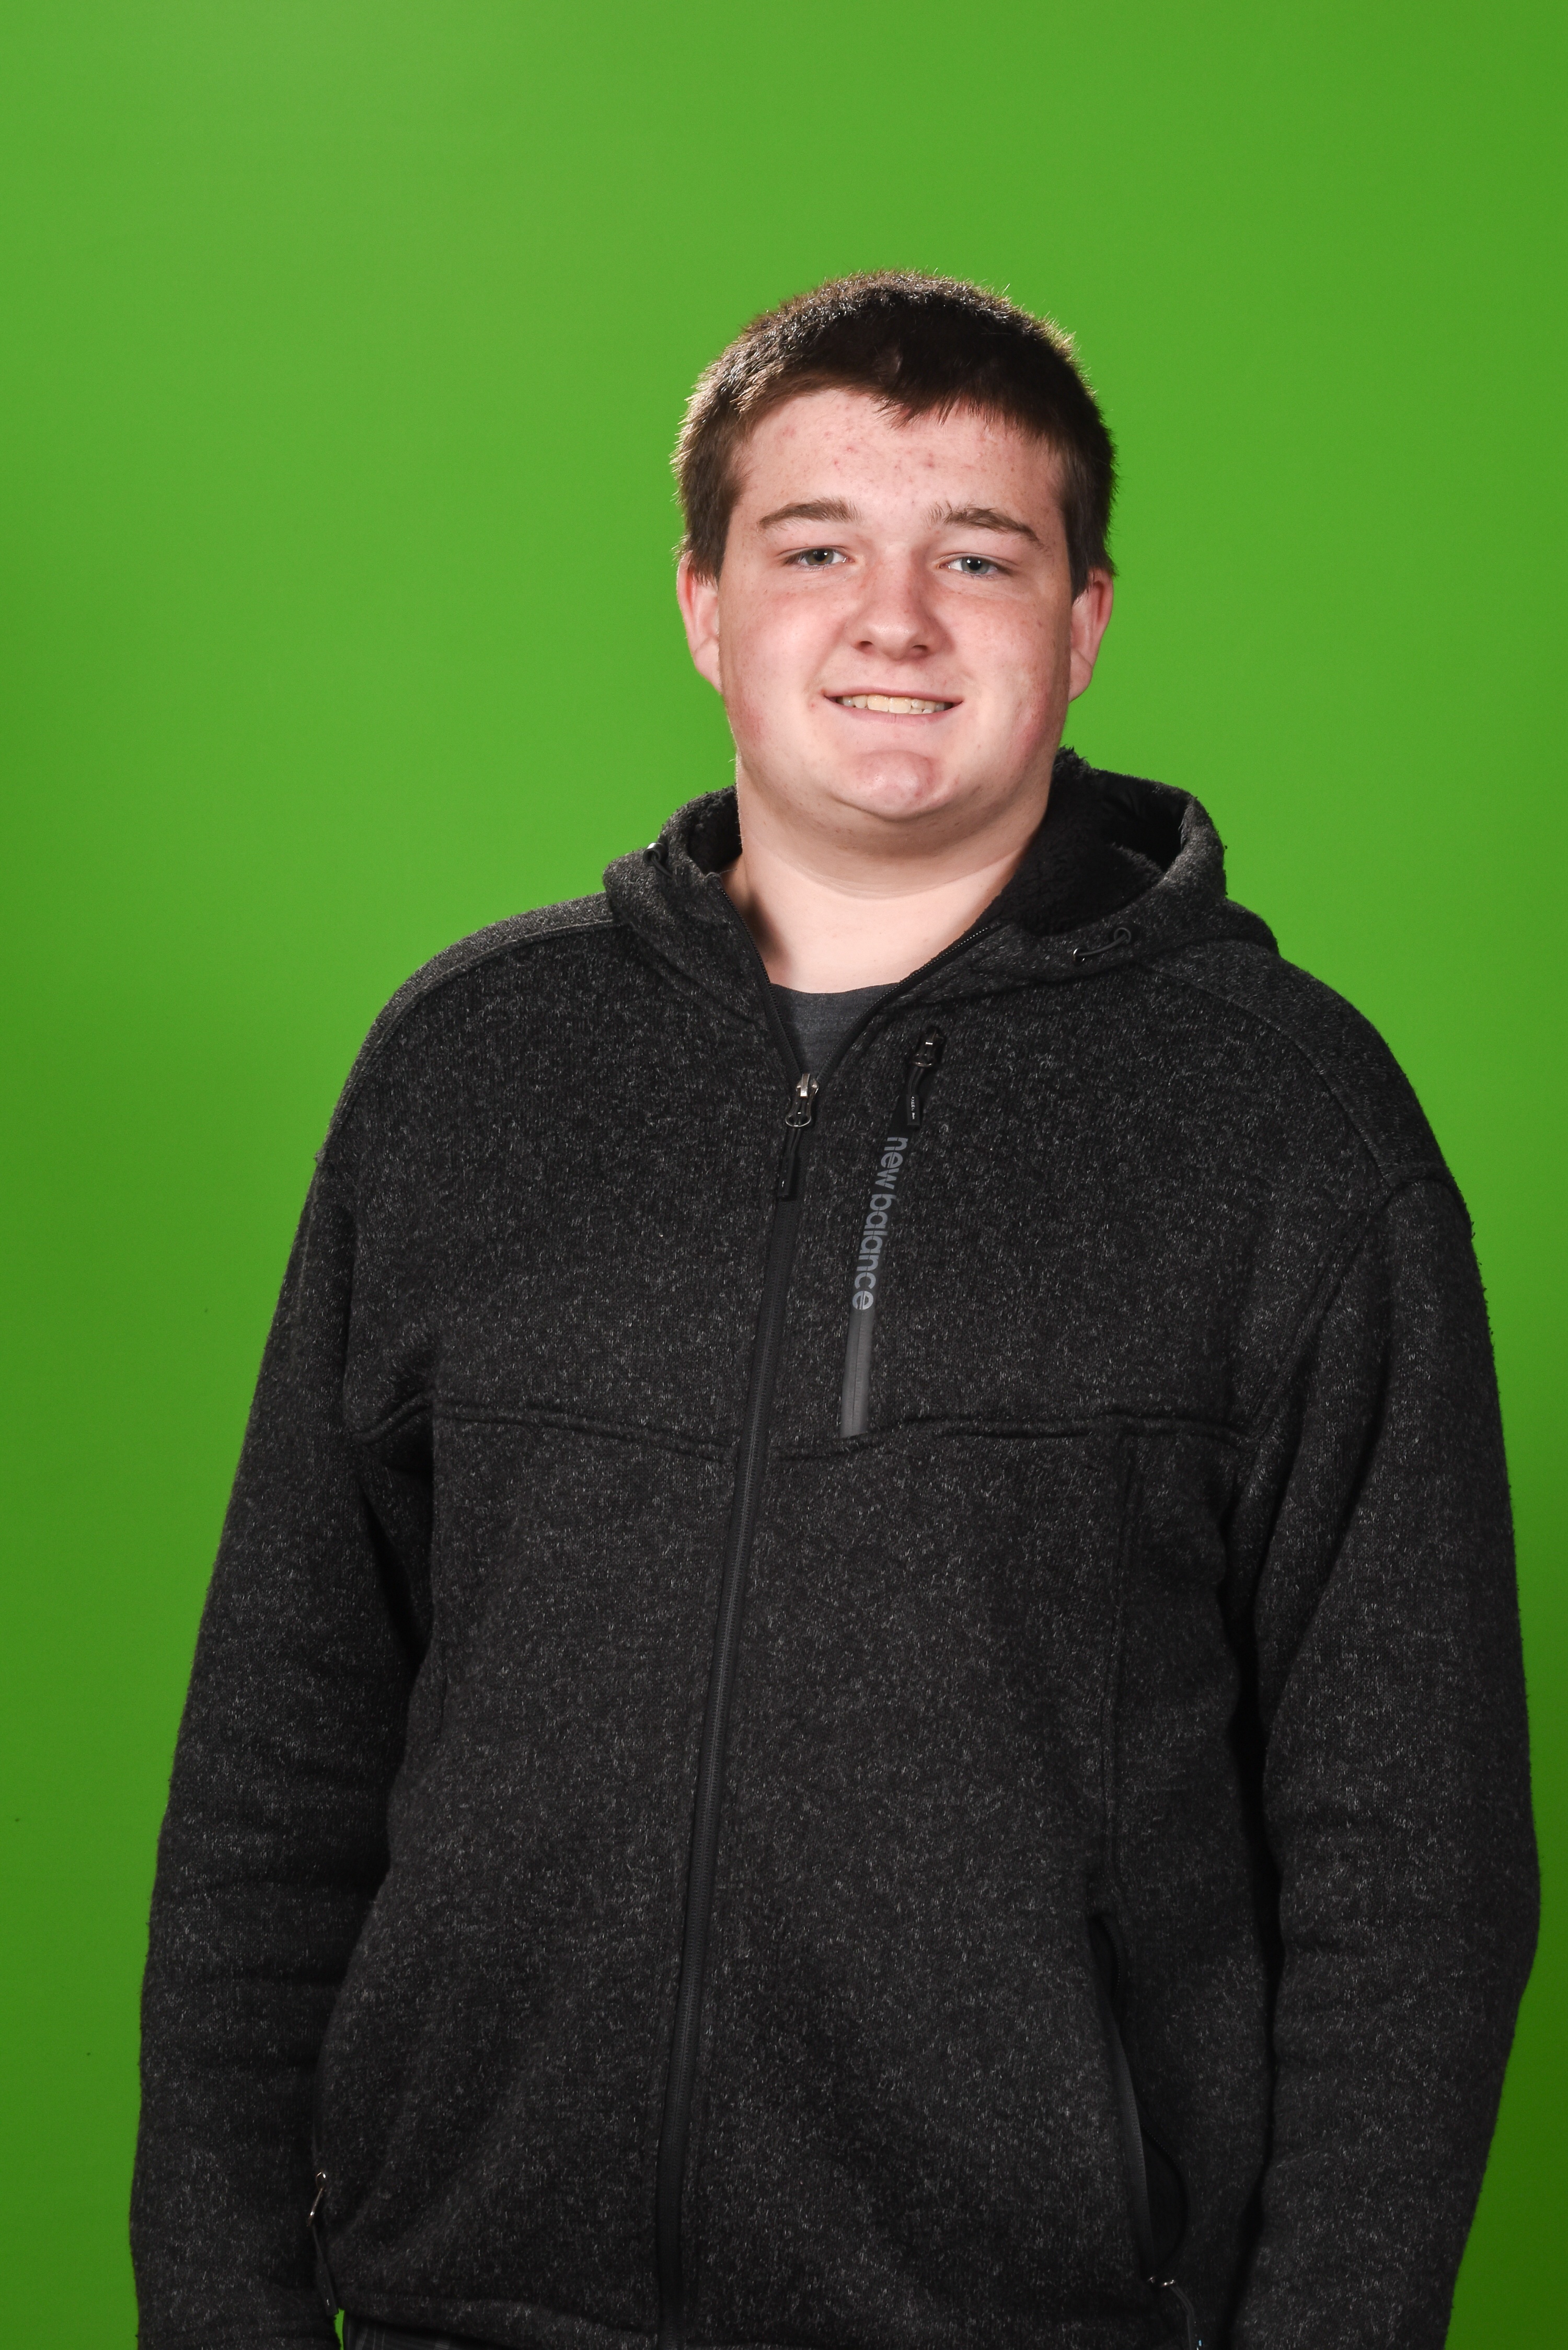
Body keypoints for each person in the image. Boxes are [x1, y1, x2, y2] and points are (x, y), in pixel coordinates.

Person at [131, 272, 1537, 2350]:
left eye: (978, 556)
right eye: (814, 552)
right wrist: (219, 2300)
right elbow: (280, 1755)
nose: (895, 622)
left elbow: (1413, 1862)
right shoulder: (467, 1072)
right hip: (458, 2295)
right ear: (705, 605)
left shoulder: (1288, 1125)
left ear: (1083, 623)